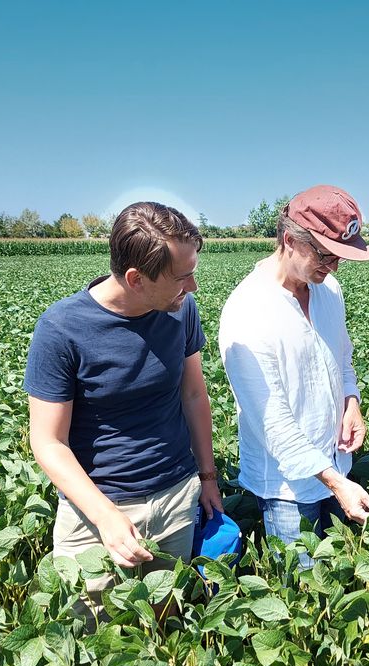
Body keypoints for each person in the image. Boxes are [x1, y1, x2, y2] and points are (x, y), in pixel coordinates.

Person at [24, 201, 223, 627]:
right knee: (86, 636)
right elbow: (47, 441)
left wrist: (207, 477)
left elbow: (193, 393)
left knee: (163, 624)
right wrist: (106, 517)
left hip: (175, 498)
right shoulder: (62, 330)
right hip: (96, 514)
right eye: (182, 276)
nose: (193, 286)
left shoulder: (180, 310)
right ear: (136, 279)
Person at [219, 185, 369, 556]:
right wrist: (337, 483)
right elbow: (271, 421)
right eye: (325, 255)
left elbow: (342, 357)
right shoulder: (249, 310)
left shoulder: (329, 289)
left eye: (339, 257)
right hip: (289, 489)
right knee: (304, 590)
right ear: (290, 239)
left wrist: (351, 401)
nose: (334, 267)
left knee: (339, 582)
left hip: (337, 466)